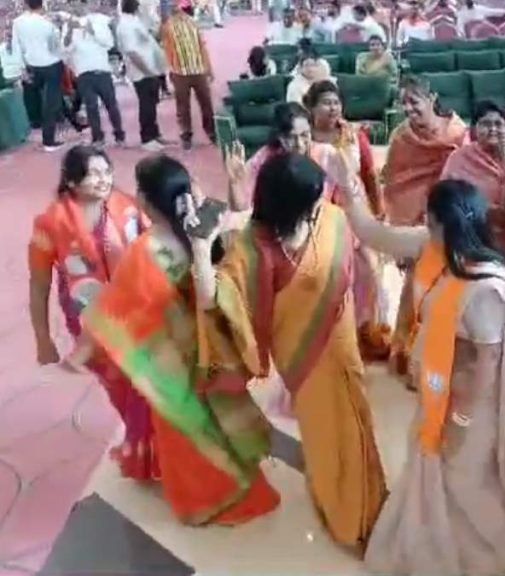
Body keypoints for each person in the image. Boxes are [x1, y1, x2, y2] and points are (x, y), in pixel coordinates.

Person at [72, 155, 281, 526]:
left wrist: (89, 338)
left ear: (145, 200)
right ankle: (237, 472)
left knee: (185, 430)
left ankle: (209, 496)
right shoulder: (204, 229)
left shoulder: (144, 252)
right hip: (212, 351)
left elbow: (117, 313)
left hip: (171, 362)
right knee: (219, 415)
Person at [334, 177, 505, 576]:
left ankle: (478, 554)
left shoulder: (484, 288)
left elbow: (486, 362)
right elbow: (377, 235)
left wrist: (460, 420)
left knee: (465, 480)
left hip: (468, 404)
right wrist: (350, 193)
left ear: (445, 224)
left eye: (430, 219)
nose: (424, 225)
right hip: (437, 388)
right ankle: (431, 546)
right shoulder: (436, 248)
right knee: (433, 470)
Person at [195, 151, 387, 551]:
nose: (320, 203)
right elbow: (219, 301)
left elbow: (353, 253)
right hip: (304, 358)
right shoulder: (254, 247)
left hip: (343, 344)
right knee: (325, 432)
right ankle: (347, 515)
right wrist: (200, 250)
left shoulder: (329, 218)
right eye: (311, 198)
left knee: (358, 419)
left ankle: (371, 493)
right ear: (286, 203)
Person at [29, 145, 156, 480]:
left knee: (147, 385)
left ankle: (152, 451)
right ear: (72, 181)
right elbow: (39, 285)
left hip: (139, 315)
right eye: (93, 174)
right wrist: (43, 339)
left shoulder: (126, 205)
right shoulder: (49, 224)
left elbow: (156, 244)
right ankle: (143, 450)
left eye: (107, 171)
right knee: (120, 389)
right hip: (92, 327)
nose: (104, 179)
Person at [382, 75, 468, 376]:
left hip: (451, 223)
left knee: (449, 293)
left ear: (431, 99)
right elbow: (395, 185)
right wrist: (401, 233)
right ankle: (406, 353)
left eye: (414, 101)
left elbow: (467, 178)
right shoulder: (401, 138)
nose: (408, 108)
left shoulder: (457, 133)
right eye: (403, 102)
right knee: (414, 291)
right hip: (416, 226)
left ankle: (443, 357)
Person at [304, 82, 392, 361]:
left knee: (368, 272)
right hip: (318, 216)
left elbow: (369, 173)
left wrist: (378, 210)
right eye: (325, 103)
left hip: (355, 212)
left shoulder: (353, 135)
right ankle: (332, 339)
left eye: (336, 102)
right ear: (311, 107)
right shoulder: (303, 138)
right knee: (329, 276)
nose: (332, 108)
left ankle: (368, 333)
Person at [441, 101, 505, 282]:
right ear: (474, 130)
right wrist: (482, 210)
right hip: (470, 245)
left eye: (498, 124)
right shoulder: (459, 159)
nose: (493, 129)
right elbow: (445, 201)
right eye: (486, 124)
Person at [64, 6, 125, 147]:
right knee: (91, 107)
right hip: (83, 72)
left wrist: (92, 31)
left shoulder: (100, 20)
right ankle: (97, 138)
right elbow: (65, 49)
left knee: (111, 104)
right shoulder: (69, 24)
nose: (78, 5)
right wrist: (70, 31)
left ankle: (119, 135)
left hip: (102, 70)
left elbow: (109, 43)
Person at [161, 0, 215, 151]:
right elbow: (167, 50)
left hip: (198, 70)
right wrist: (170, 69)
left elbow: (202, 46)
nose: (175, 9)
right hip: (180, 72)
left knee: (206, 103)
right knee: (183, 106)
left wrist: (208, 68)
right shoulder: (167, 26)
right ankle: (186, 135)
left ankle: (211, 131)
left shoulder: (193, 23)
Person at [11, 0, 65, 151]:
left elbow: (16, 46)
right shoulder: (47, 23)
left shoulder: (18, 22)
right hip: (51, 64)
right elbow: (55, 46)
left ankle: (69, 123)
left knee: (43, 100)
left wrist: (21, 68)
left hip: (32, 65)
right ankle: (48, 141)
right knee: (50, 103)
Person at [117, 0, 169, 153]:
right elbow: (132, 52)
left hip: (150, 68)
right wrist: (146, 70)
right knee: (146, 105)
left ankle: (154, 134)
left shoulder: (135, 20)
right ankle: (147, 138)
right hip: (141, 71)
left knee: (152, 103)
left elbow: (149, 38)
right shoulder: (125, 25)